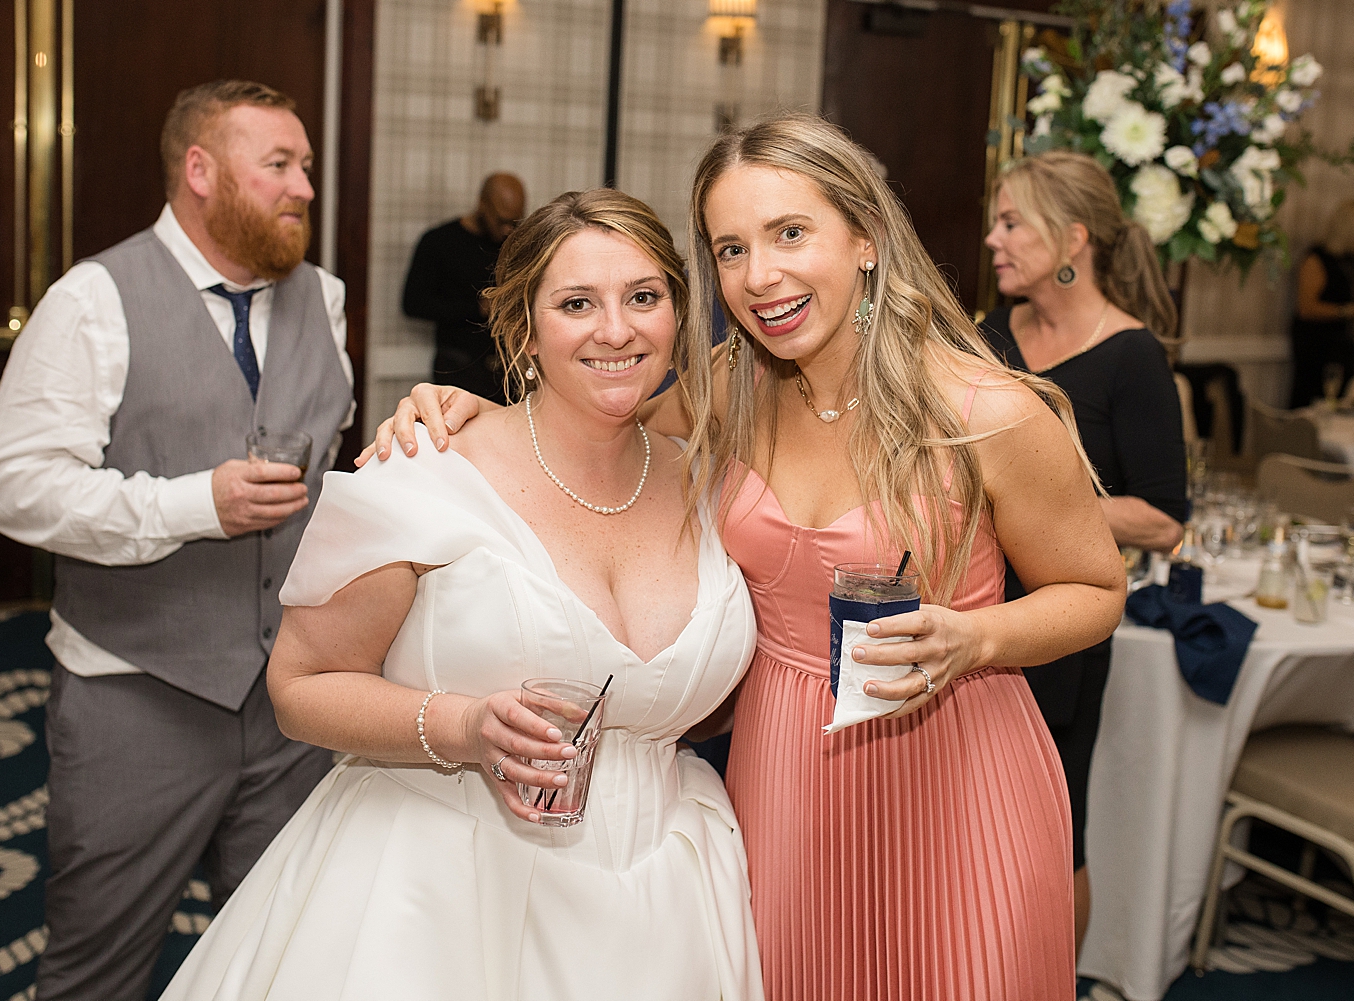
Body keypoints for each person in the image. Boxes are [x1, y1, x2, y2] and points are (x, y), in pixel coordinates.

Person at [371, 114, 1128, 1000]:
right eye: (730, 249)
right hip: (782, 773)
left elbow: (1096, 587)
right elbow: (585, 436)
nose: (759, 276)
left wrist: (977, 638)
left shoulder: (982, 408)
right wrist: (464, 411)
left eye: (790, 234)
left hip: (958, 769)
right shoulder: (728, 387)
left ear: (868, 239)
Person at [159, 189, 764, 1000]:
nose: (616, 329)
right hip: (442, 887)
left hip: (669, 896)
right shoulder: (423, 468)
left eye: (644, 297)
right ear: (523, 332)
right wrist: (466, 724)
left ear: (679, 318)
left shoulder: (709, 482)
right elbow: (298, 687)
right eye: (577, 303)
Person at [0, 80, 355, 1001]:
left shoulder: (325, 300)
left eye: (305, 166)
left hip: (290, 701)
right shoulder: (93, 300)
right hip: (135, 696)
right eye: (279, 166)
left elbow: (331, 465)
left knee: (276, 953)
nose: (305, 186)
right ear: (200, 171)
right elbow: (12, 487)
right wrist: (194, 505)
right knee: (97, 967)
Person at [980, 149, 1188, 952]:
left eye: (1012, 224)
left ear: (1072, 241)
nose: (994, 240)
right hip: (980, 608)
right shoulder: (994, 335)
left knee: (1054, 831)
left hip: (1064, 622)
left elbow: (1165, 517)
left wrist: (1051, 508)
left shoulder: (1133, 358)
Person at [402, 172, 527, 404]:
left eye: (515, 222)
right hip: (458, 366)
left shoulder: (515, 243)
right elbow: (413, 303)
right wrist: (476, 308)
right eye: (501, 221)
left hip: (508, 372)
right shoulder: (439, 242)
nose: (508, 230)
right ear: (482, 204)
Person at [1288, 198, 1354, 407]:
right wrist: (1350, 310)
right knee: (1313, 397)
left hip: (1344, 342)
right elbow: (1306, 308)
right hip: (1317, 343)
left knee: (1343, 399)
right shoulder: (1316, 259)